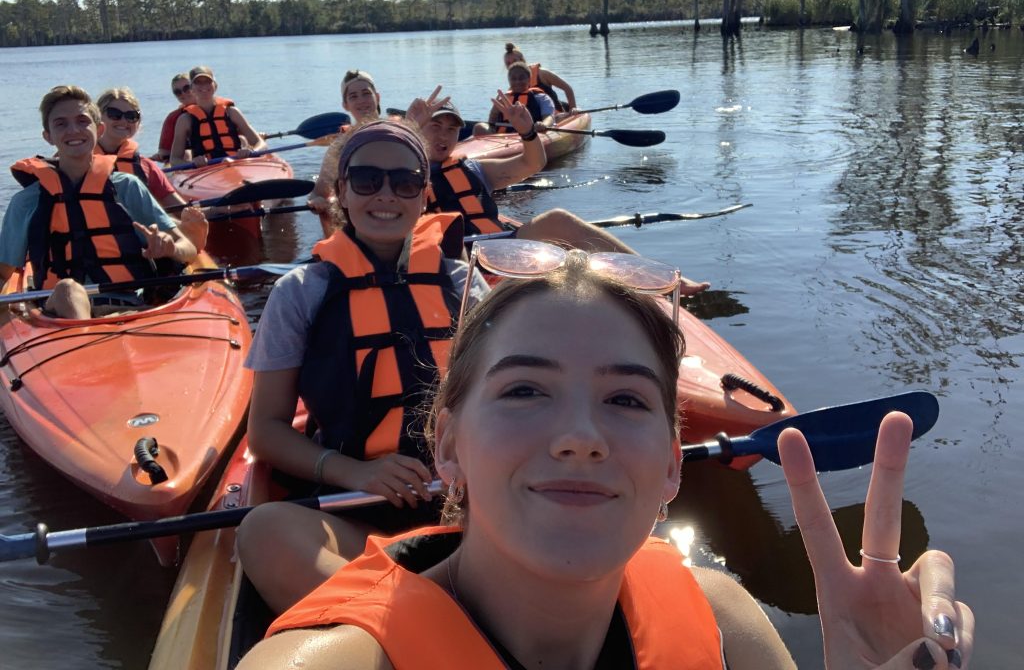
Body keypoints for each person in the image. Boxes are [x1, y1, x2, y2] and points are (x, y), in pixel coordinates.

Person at [240, 242, 974, 669]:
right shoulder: (341, 663)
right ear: (448, 441)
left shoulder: (723, 624)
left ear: (671, 466)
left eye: (627, 400)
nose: (581, 435)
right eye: (526, 390)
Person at [235, 118, 490, 614]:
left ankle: (395, 614)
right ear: (342, 192)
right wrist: (356, 473)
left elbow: (502, 401)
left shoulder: (466, 286)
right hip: (351, 513)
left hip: (467, 507)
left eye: (405, 181)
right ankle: (432, 620)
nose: (386, 194)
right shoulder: (301, 293)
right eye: (368, 179)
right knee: (264, 531)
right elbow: (265, 432)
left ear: (424, 195)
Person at [416, 88, 708, 291]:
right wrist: (407, 126)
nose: (443, 136)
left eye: (451, 129)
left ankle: (659, 278)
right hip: (453, 258)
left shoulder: (473, 168)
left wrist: (528, 132)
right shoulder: (402, 169)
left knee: (558, 219)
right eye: (434, 127)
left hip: (497, 248)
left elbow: (532, 162)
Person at [0, 85, 197, 319]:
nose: (73, 130)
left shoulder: (127, 187)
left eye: (83, 121)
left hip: (129, 307)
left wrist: (170, 247)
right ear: (48, 136)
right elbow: (5, 275)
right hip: (57, 316)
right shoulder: (27, 201)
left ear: (99, 129)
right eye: (61, 123)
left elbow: (190, 249)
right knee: (68, 289)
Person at [95, 87, 208, 250]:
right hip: (98, 246)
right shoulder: (75, 162)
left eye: (131, 116)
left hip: (145, 247)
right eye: (114, 114)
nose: (123, 121)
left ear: (138, 123)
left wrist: (222, 210)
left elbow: (181, 209)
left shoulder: (145, 166)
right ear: (98, 117)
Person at [309, 70, 384, 214]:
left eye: (366, 93)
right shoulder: (340, 146)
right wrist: (316, 201)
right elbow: (317, 193)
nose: (361, 100)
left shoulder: (399, 133)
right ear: (345, 105)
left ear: (377, 97)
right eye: (353, 96)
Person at [169, 65, 266, 167]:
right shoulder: (185, 120)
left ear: (215, 86)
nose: (203, 86)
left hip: (236, 164)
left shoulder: (232, 112)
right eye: (198, 83)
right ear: (191, 89)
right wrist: (192, 164)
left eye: (207, 82)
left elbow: (261, 144)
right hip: (206, 171)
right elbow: (175, 159)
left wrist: (251, 151)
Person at [473, 61, 556, 137]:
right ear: (509, 80)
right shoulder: (503, 99)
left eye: (521, 78)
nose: (517, 82)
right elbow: (492, 120)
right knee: (479, 127)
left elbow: (549, 117)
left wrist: (544, 124)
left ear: (529, 79)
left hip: (529, 135)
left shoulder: (542, 98)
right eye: (513, 79)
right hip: (502, 139)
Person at [504, 41, 578, 112]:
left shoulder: (542, 74)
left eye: (514, 61)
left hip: (556, 116)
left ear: (522, 61)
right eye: (508, 63)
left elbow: (567, 88)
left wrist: (573, 108)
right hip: (535, 119)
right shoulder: (513, 87)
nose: (512, 65)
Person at [155, 72, 196, 162]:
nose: (183, 93)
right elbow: (164, 153)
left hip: (221, 161)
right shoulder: (173, 118)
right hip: (189, 165)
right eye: (178, 92)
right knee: (186, 154)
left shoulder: (222, 110)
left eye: (187, 88)